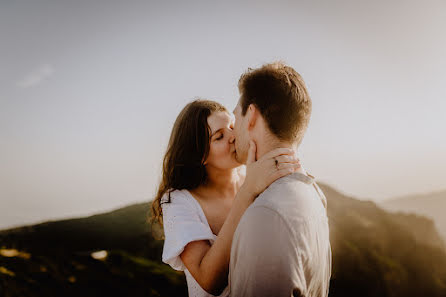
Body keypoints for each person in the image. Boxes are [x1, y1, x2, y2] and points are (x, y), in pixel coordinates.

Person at [151, 99, 301, 297]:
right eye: (219, 136)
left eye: (232, 126)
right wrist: (247, 192)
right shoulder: (178, 201)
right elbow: (208, 280)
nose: (233, 136)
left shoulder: (256, 175)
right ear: (200, 156)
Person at [229, 62, 332, 297]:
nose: (232, 132)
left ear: (252, 116)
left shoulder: (266, 215)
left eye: (236, 117)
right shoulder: (314, 193)